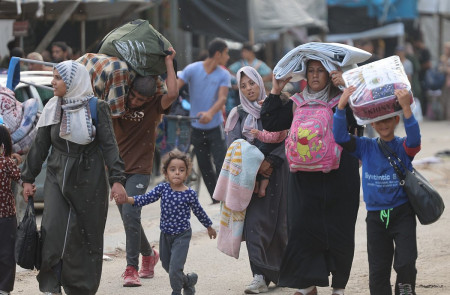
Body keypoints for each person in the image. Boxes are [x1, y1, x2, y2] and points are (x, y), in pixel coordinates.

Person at [20, 60, 128, 295]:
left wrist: (117, 180)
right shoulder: (52, 107)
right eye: (54, 77)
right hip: (57, 177)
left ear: (72, 82)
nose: (53, 82)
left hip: (89, 179)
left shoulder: (96, 107)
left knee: (85, 236)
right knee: (53, 230)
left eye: (58, 78)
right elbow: (39, 146)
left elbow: (110, 146)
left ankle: (81, 289)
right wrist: (28, 178)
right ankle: (52, 284)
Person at [261, 59, 362, 295]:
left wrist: (347, 88)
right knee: (302, 228)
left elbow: (360, 119)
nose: (315, 76)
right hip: (304, 177)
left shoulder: (344, 98)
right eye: (311, 71)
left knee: (340, 229)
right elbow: (271, 122)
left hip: (340, 174)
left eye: (321, 71)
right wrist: (276, 90)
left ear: (330, 75)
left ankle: (339, 287)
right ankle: (308, 286)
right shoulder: (297, 101)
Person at [333, 87, 421, 295]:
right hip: (375, 218)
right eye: (379, 121)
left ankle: (405, 290)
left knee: (406, 261)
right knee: (378, 269)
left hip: (402, 213)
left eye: (388, 120)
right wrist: (341, 105)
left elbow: (415, 140)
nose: (383, 125)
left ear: (396, 121)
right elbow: (339, 136)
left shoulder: (403, 147)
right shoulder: (365, 146)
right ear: (372, 123)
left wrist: (406, 108)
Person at [111, 47, 178, 287]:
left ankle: (131, 268)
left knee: (130, 213)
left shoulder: (154, 107)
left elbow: (172, 91)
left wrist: (169, 62)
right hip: (116, 169)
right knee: (131, 220)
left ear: (149, 99)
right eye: (134, 97)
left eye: (141, 99)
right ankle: (149, 255)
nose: (135, 102)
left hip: (140, 167)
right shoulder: (116, 103)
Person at [114, 149, 217, 295]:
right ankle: (187, 281)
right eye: (172, 169)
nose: (177, 173)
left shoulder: (189, 194)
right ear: (166, 172)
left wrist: (209, 227)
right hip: (165, 235)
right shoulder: (163, 188)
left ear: (187, 173)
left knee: (175, 268)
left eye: (181, 170)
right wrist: (127, 200)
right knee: (167, 266)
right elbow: (145, 198)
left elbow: (199, 211)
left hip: (182, 235)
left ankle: (176, 291)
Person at [224, 66, 288, 294]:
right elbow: (233, 148)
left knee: (278, 225)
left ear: (260, 83)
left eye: (251, 83)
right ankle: (259, 275)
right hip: (250, 180)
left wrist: (271, 162)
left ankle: (279, 271)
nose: (249, 89)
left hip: (278, 175)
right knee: (253, 226)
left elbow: (288, 137)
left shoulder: (276, 106)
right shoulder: (238, 114)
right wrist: (254, 164)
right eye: (243, 86)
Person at [177, 39, 231, 203]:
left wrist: (210, 113)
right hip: (196, 126)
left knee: (221, 162)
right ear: (218, 54)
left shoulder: (223, 74)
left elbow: (222, 98)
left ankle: (227, 198)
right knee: (204, 165)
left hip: (215, 126)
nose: (228, 57)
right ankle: (216, 198)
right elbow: (174, 89)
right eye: (226, 53)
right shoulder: (192, 69)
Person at [0, 122, 22, 295]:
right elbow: (21, 180)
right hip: (6, 215)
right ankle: (4, 288)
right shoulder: (7, 163)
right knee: (7, 253)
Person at [249, 128, 287, 197]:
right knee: (262, 171)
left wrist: (259, 134)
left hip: (272, 150)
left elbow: (272, 138)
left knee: (264, 171)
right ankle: (259, 188)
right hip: (269, 150)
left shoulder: (277, 125)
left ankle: (261, 189)